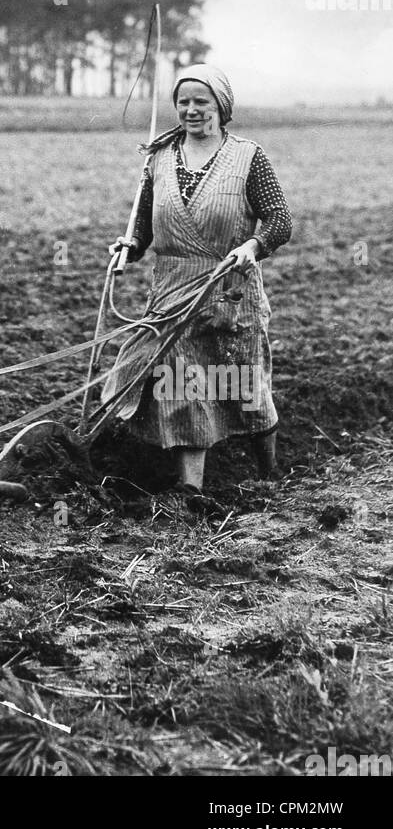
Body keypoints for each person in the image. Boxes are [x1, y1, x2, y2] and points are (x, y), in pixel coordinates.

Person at [103, 63, 292, 501]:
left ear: (221, 107)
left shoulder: (249, 157)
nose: (191, 110)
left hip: (230, 288)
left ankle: (270, 475)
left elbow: (280, 220)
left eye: (200, 101)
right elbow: (143, 229)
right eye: (183, 101)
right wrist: (127, 248)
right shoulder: (160, 158)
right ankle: (191, 492)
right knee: (182, 384)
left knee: (246, 387)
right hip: (173, 290)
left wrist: (254, 246)